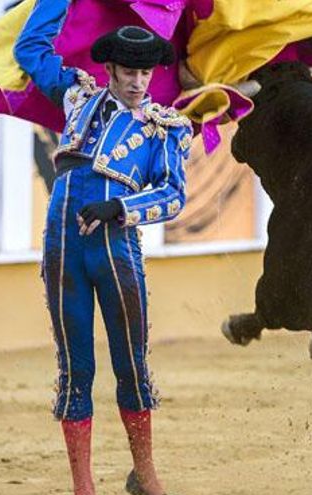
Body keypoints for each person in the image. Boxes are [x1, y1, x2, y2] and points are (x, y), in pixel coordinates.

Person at [12, 1, 192, 494]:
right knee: (76, 367)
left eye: (146, 73)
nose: (139, 82)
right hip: (63, 244)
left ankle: (146, 473)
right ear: (109, 68)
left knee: (131, 362)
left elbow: (174, 194)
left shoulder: (166, 128)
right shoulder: (76, 97)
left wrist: (122, 207)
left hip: (116, 249)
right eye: (130, 72)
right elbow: (29, 48)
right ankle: (83, 486)